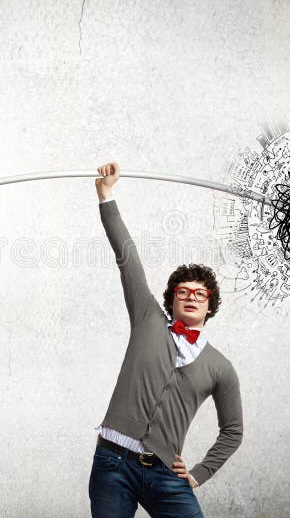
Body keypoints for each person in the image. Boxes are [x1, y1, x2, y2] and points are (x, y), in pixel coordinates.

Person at [89, 162, 244, 518]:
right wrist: (106, 195)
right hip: (112, 464)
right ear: (171, 301)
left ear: (210, 306)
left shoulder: (221, 367)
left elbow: (233, 431)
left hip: (165, 474)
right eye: (182, 292)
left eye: (200, 294)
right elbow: (127, 258)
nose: (190, 297)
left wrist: (198, 474)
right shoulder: (147, 320)